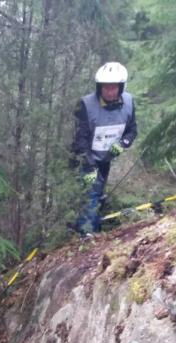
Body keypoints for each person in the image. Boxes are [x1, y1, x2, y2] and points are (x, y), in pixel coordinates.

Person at [71, 62, 138, 235]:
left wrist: (123, 144)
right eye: (105, 87)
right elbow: (80, 139)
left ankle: (93, 230)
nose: (109, 91)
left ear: (120, 87)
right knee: (90, 195)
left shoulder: (129, 103)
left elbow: (132, 130)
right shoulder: (86, 105)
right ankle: (86, 235)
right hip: (85, 159)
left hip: (105, 159)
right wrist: (89, 165)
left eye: (113, 87)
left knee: (99, 194)